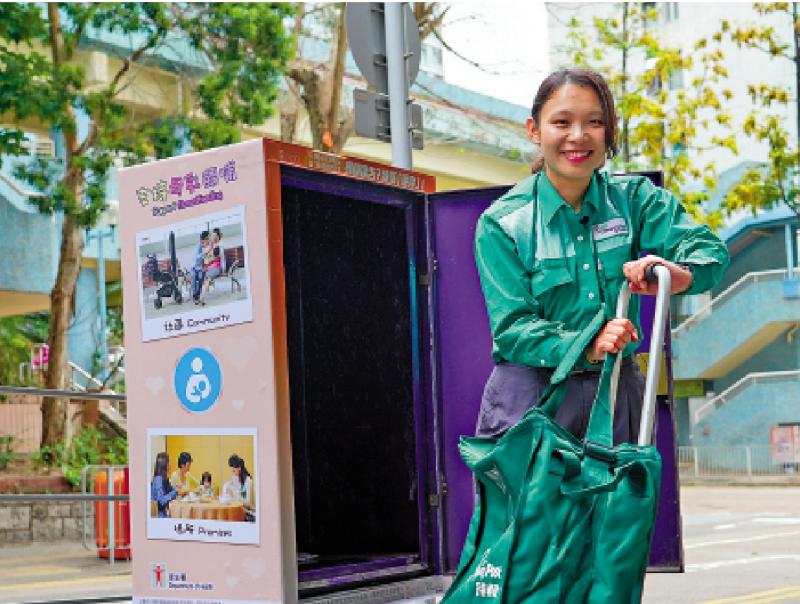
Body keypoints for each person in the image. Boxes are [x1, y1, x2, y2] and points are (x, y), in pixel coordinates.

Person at [474, 68, 729, 444]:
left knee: (623, 502)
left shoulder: (634, 200)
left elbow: (708, 252)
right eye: (562, 122)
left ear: (609, 132)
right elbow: (513, 329)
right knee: (533, 504)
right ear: (534, 129)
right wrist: (589, 343)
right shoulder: (503, 223)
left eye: (594, 122)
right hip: (532, 397)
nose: (578, 136)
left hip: (615, 393)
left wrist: (682, 275)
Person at [222, 454, 254, 521]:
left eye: (234, 471)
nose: (233, 473)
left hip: (247, 512)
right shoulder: (235, 478)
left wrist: (234, 495)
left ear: (239, 467)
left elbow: (248, 504)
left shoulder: (248, 481)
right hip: (238, 510)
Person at [197, 227, 223, 305]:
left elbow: (216, 258)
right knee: (203, 277)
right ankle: (202, 296)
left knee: (206, 278)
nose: (213, 237)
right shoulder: (212, 245)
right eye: (212, 235)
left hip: (216, 268)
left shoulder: (219, 246)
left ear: (218, 237)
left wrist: (208, 260)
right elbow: (206, 255)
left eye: (215, 235)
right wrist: (206, 258)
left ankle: (202, 299)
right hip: (210, 268)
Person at [150, 452, 178, 518]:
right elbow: (161, 501)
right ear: (164, 464)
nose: (170, 464)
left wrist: (175, 490)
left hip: (165, 512)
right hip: (160, 515)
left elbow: (172, 492)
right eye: (169, 462)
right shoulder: (158, 480)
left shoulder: (164, 478)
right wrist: (175, 492)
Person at [192, 230, 210, 303]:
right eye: (207, 238)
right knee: (193, 277)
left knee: (200, 277)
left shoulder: (207, 246)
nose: (208, 240)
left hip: (202, 268)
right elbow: (196, 258)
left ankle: (197, 294)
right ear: (204, 239)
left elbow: (208, 259)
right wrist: (204, 254)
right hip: (195, 268)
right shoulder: (199, 246)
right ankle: (195, 294)